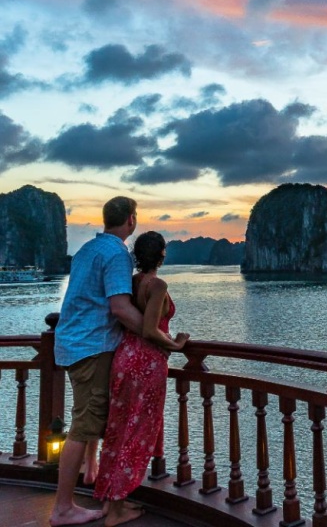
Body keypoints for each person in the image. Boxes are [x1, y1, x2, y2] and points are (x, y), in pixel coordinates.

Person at [50, 197, 143, 526]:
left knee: (91, 414)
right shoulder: (117, 254)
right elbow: (120, 308)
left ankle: (92, 471)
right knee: (84, 424)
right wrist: (157, 335)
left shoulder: (87, 250)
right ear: (131, 220)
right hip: (92, 347)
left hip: (73, 344)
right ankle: (62, 508)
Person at [94, 231, 189, 526]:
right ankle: (116, 509)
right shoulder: (157, 285)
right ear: (162, 254)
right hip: (146, 363)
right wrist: (176, 344)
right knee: (137, 433)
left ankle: (111, 500)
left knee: (119, 428)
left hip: (124, 358)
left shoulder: (132, 282)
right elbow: (149, 329)